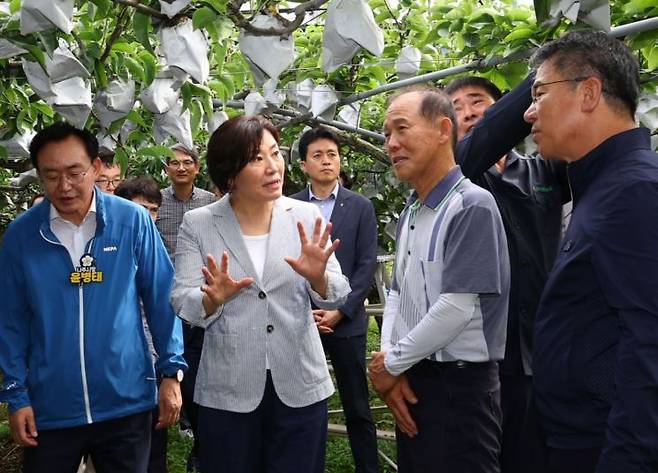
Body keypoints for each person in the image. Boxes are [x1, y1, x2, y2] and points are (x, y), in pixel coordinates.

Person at [0, 122, 187, 473]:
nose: (65, 186)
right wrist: (16, 394)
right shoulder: (22, 235)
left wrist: (170, 371)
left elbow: (163, 297)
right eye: (51, 175)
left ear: (96, 168)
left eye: (74, 172)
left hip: (126, 402)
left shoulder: (131, 221)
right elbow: (11, 320)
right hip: (51, 407)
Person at [171, 115, 351, 473]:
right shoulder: (200, 223)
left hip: (299, 382)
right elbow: (182, 300)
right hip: (228, 388)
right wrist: (211, 299)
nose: (273, 167)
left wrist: (318, 280)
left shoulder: (305, 214)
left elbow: (338, 292)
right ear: (229, 173)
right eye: (256, 159)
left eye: (275, 153)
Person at [524, 30, 658, 473]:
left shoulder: (635, 192)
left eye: (539, 93)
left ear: (589, 93)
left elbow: (649, 345)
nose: (528, 112)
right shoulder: (602, 186)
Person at [369, 87, 509, 473]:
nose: (391, 144)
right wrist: (389, 364)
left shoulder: (471, 205)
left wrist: (390, 365)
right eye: (385, 135)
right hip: (415, 378)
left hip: (460, 388)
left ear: (443, 129)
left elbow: (456, 308)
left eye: (401, 129)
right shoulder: (412, 211)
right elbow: (396, 293)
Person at [445, 75, 570, 472]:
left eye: (477, 101)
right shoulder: (460, 173)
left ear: (501, 108)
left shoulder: (542, 170)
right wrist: (548, 69)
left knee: (542, 450)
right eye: (457, 108)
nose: (468, 113)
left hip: (546, 340)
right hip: (491, 349)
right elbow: (483, 142)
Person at [291, 127, 380, 473]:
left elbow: (365, 265)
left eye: (332, 154)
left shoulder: (360, 206)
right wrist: (309, 310)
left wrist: (341, 312)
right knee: (303, 404)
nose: (327, 161)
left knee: (357, 405)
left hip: (347, 324)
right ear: (303, 164)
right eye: (318, 155)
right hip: (303, 321)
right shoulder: (290, 205)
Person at [155, 143, 215, 472]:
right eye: (174, 163)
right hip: (164, 295)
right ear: (166, 168)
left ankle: (197, 427)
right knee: (172, 359)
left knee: (197, 358)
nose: (180, 168)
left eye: (187, 162)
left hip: (200, 293)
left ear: (196, 167)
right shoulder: (157, 202)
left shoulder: (209, 201)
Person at [114, 176, 168, 473]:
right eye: (141, 208)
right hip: (118, 365)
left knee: (154, 442)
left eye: (153, 209)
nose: (147, 216)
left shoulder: (156, 246)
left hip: (153, 360)